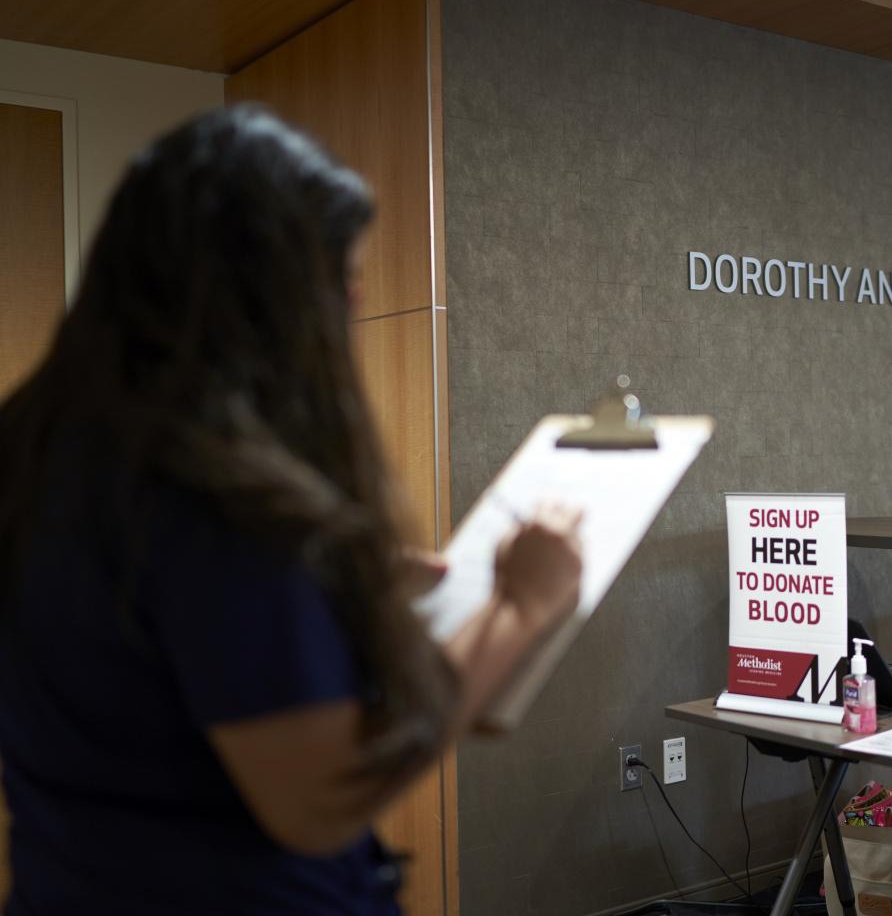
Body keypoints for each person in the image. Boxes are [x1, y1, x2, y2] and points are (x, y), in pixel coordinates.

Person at [0, 106, 582, 915]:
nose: (348, 318)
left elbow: (147, 665)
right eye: (341, 290)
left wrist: (329, 590)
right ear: (261, 299)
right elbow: (321, 801)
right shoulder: (216, 492)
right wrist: (525, 605)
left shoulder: (41, 449)